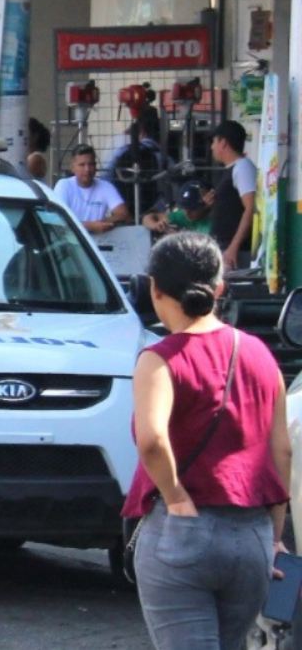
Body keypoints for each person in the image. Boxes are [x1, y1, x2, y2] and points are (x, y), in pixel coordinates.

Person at [122, 232, 290, 650]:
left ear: (155, 289)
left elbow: (152, 440)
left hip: (183, 531)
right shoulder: (258, 354)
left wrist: (176, 498)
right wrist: (274, 536)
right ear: (220, 288)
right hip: (251, 535)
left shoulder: (159, 359)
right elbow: (281, 449)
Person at [207, 120, 257, 270]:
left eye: (214, 141)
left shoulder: (242, 167)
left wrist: (234, 247)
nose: (212, 147)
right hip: (223, 248)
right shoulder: (231, 170)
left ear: (223, 143)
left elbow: (250, 208)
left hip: (235, 253)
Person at [53, 144, 131, 234]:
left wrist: (101, 224)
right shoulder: (64, 185)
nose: (87, 169)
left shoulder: (106, 187)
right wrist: (91, 226)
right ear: (72, 168)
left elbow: (124, 215)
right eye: (82, 165)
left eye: (91, 164)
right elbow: (57, 220)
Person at [105, 106, 169, 214]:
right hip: (153, 210)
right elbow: (171, 184)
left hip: (123, 207)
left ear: (141, 131)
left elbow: (106, 177)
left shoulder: (121, 151)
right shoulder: (163, 157)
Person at [141, 180, 213, 237]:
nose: (187, 213)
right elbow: (147, 218)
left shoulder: (214, 221)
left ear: (205, 205)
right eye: (184, 208)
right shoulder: (182, 215)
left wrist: (180, 237)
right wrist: (156, 225)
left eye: (192, 208)